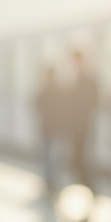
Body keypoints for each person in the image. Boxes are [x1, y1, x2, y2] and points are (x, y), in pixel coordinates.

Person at [67, 50, 99, 190]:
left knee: (83, 158)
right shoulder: (75, 79)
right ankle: (83, 186)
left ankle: (87, 188)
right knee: (78, 158)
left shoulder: (87, 79)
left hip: (83, 125)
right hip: (77, 126)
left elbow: (91, 101)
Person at [35, 67, 67, 196]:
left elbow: (37, 105)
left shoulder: (44, 89)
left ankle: (49, 183)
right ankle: (54, 183)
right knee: (55, 158)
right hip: (57, 129)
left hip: (47, 128)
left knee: (47, 158)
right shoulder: (60, 90)